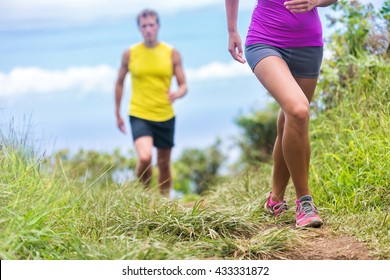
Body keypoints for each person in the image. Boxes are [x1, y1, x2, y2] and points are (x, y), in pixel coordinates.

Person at [225, 0, 337, 228]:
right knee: (298, 110)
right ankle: (305, 203)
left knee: (291, 118)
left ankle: (275, 199)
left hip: (309, 44)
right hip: (265, 41)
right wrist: (232, 29)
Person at [115, 9, 187, 196]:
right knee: (145, 157)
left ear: (158, 26)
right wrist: (117, 113)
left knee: (163, 163)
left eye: (151, 25)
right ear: (139, 29)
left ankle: (164, 204)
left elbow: (183, 85)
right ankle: (144, 196)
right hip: (139, 113)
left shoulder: (171, 53)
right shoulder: (130, 54)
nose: (148, 29)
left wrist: (177, 93)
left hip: (165, 115)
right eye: (144, 26)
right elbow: (119, 82)